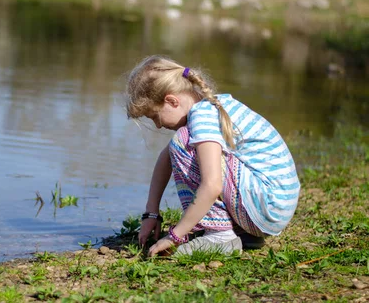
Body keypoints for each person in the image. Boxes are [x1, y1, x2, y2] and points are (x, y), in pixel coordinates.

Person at [125, 55, 300, 256]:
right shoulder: (209, 107)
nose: (158, 124)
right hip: (274, 208)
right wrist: (151, 213)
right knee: (180, 144)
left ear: (172, 101)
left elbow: (212, 184)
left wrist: (175, 235)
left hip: (268, 203)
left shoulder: (202, 118)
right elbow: (165, 160)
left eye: (155, 116)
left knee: (181, 142)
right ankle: (242, 233)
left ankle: (219, 236)